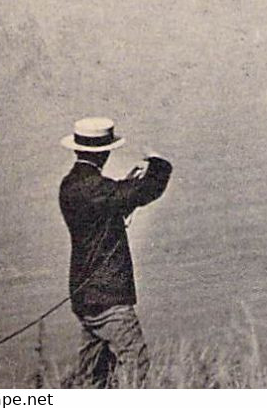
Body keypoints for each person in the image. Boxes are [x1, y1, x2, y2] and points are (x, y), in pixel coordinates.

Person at [58, 117, 173, 388]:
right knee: (136, 361)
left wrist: (124, 189)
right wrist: (158, 163)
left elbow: (105, 205)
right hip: (108, 297)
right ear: (105, 152)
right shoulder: (96, 188)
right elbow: (147, 190)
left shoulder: (71, 185)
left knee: (93, 374)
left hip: (84, 296)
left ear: (77, 149)